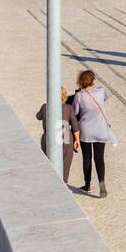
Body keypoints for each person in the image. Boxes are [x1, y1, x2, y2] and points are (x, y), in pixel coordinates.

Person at [72, 69, 116, 197]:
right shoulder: (101, 91)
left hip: (86, 131)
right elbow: (105, 99)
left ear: (81, 81)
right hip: (101, 130)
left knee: (87, 158)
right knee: (99, 158)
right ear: (93, 80)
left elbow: (75, 112)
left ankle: (87, 184)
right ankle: (102, 185)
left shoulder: (79, 96)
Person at [35, 87, 78, 183]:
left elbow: (38, 116)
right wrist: (77, 140)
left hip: (49, 138)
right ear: (64, 96)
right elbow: (75, 126)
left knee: (49, 161)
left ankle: (50, 181)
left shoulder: (45, 107)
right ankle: (63, 182)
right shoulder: (68, 108)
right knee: (65, 163)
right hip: (66, 137)